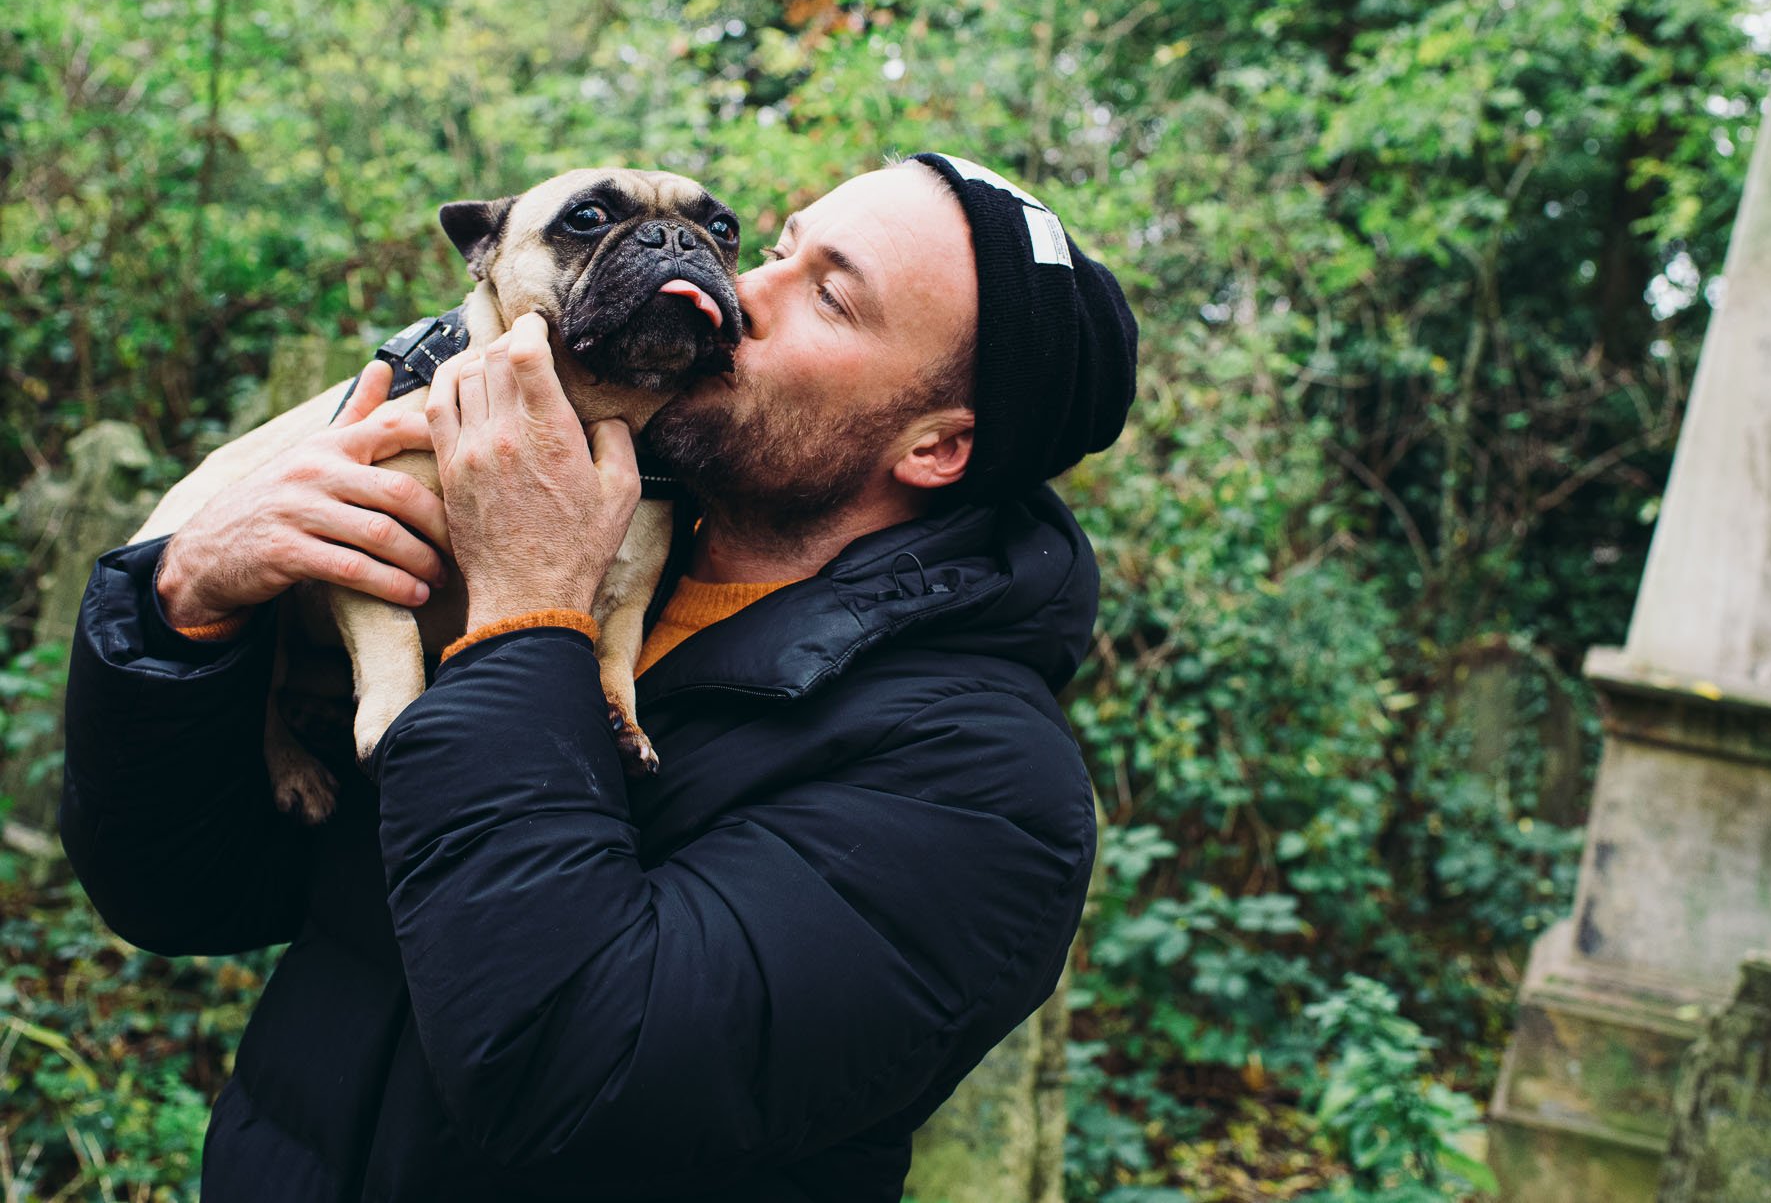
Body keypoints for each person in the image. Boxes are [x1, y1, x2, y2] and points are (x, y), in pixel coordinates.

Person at [60, 154, 1138, 1202]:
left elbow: (571, 1078)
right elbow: (180, 892)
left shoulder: (981, 789)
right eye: (767, 247)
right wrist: (186, 613)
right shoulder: (596, 525)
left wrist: (527, 613)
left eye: (830, 298)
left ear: (936, 448)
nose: (742, 293)